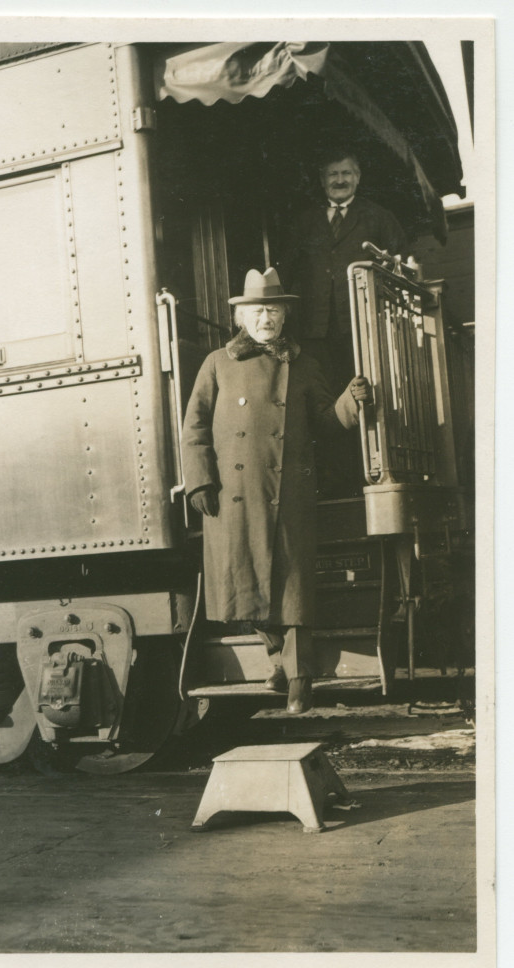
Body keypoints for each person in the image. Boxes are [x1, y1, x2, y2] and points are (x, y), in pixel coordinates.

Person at [181, 267, 371, 714]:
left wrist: (350, 401)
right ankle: (278, 660)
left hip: (288, 493)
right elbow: (194, 427)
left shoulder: (305, 366)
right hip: (233, 495)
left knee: (293, 591)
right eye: (256, 310)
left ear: (285, 316)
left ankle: (300, 680)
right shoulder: (218, 363)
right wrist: (200, 481)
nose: (265, 317)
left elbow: (326, 420)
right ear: (241, 318)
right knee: (242, 590)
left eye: (273, 309)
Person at [280, 150, 408, 392]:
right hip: (314, 326)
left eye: (346, 173)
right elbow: (286, 269)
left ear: (358, 177)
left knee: (365, 384)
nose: (340, 180)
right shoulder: (304, 222)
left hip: (362, 321)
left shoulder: (379, 217)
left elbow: (400, 264)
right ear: (322, 180)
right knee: (322, 388)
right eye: (333, 174)